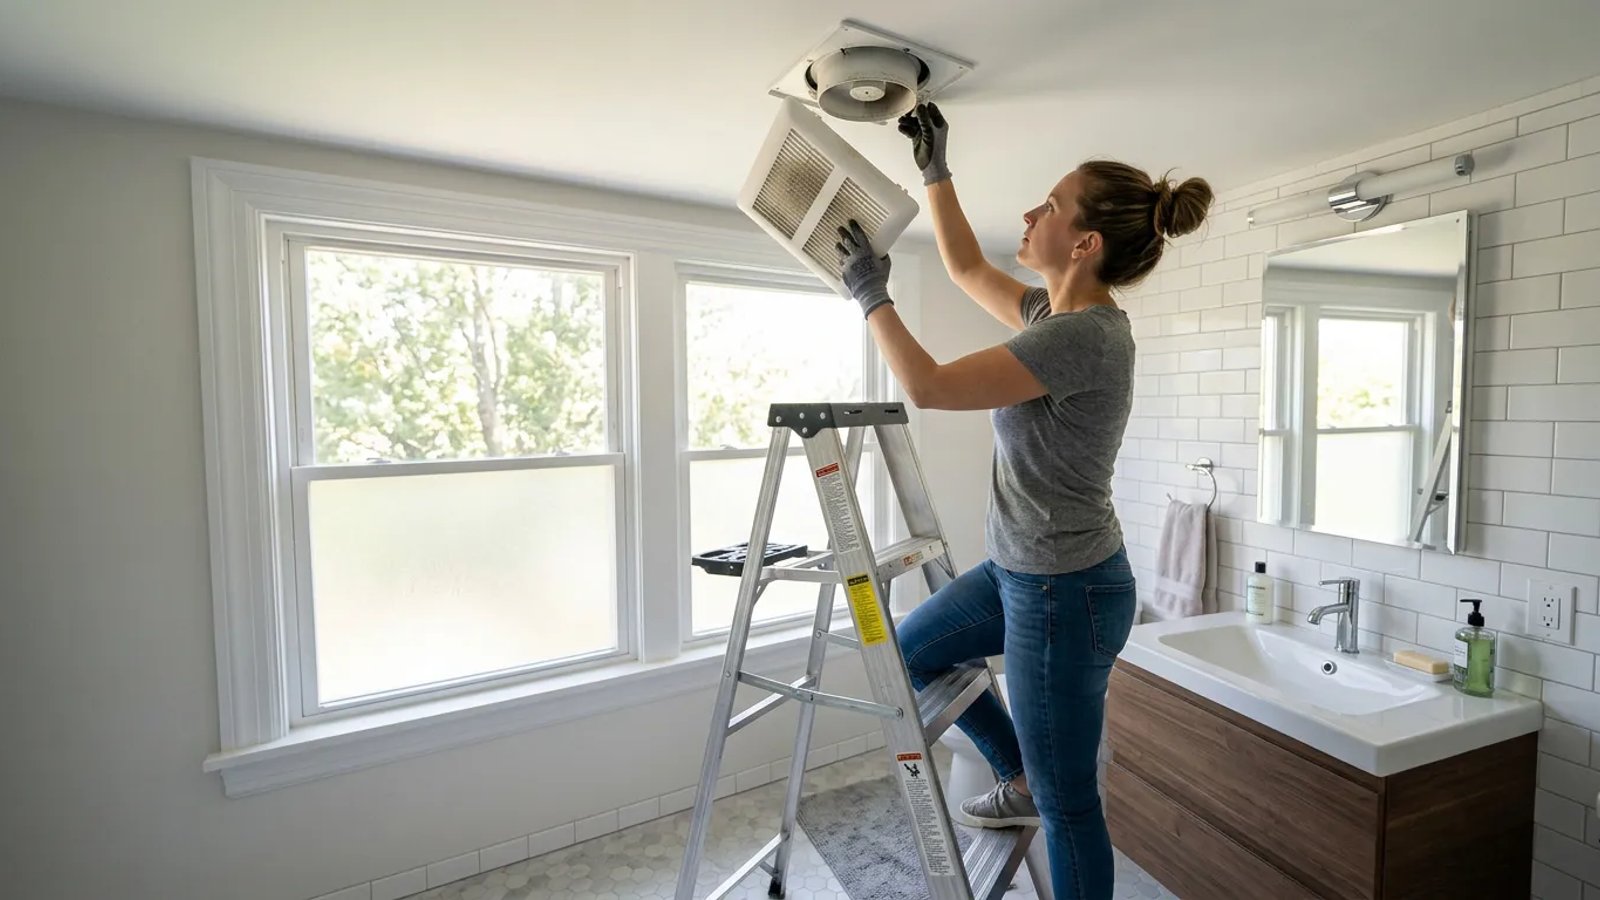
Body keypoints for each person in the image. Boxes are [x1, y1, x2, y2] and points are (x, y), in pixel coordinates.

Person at [832, 102, 1212, 899]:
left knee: (1073, 808)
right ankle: (1019, 779)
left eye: (1049, 204)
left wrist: (871, 296)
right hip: (1021, 574)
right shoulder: (1053, 314)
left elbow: (928, 387)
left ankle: (1035, 787)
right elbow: (969, 271)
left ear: (1085, 243)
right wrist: (935, 171)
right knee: (911, 650)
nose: (1031, 212)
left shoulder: (1086, 338)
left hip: (1064, 591)